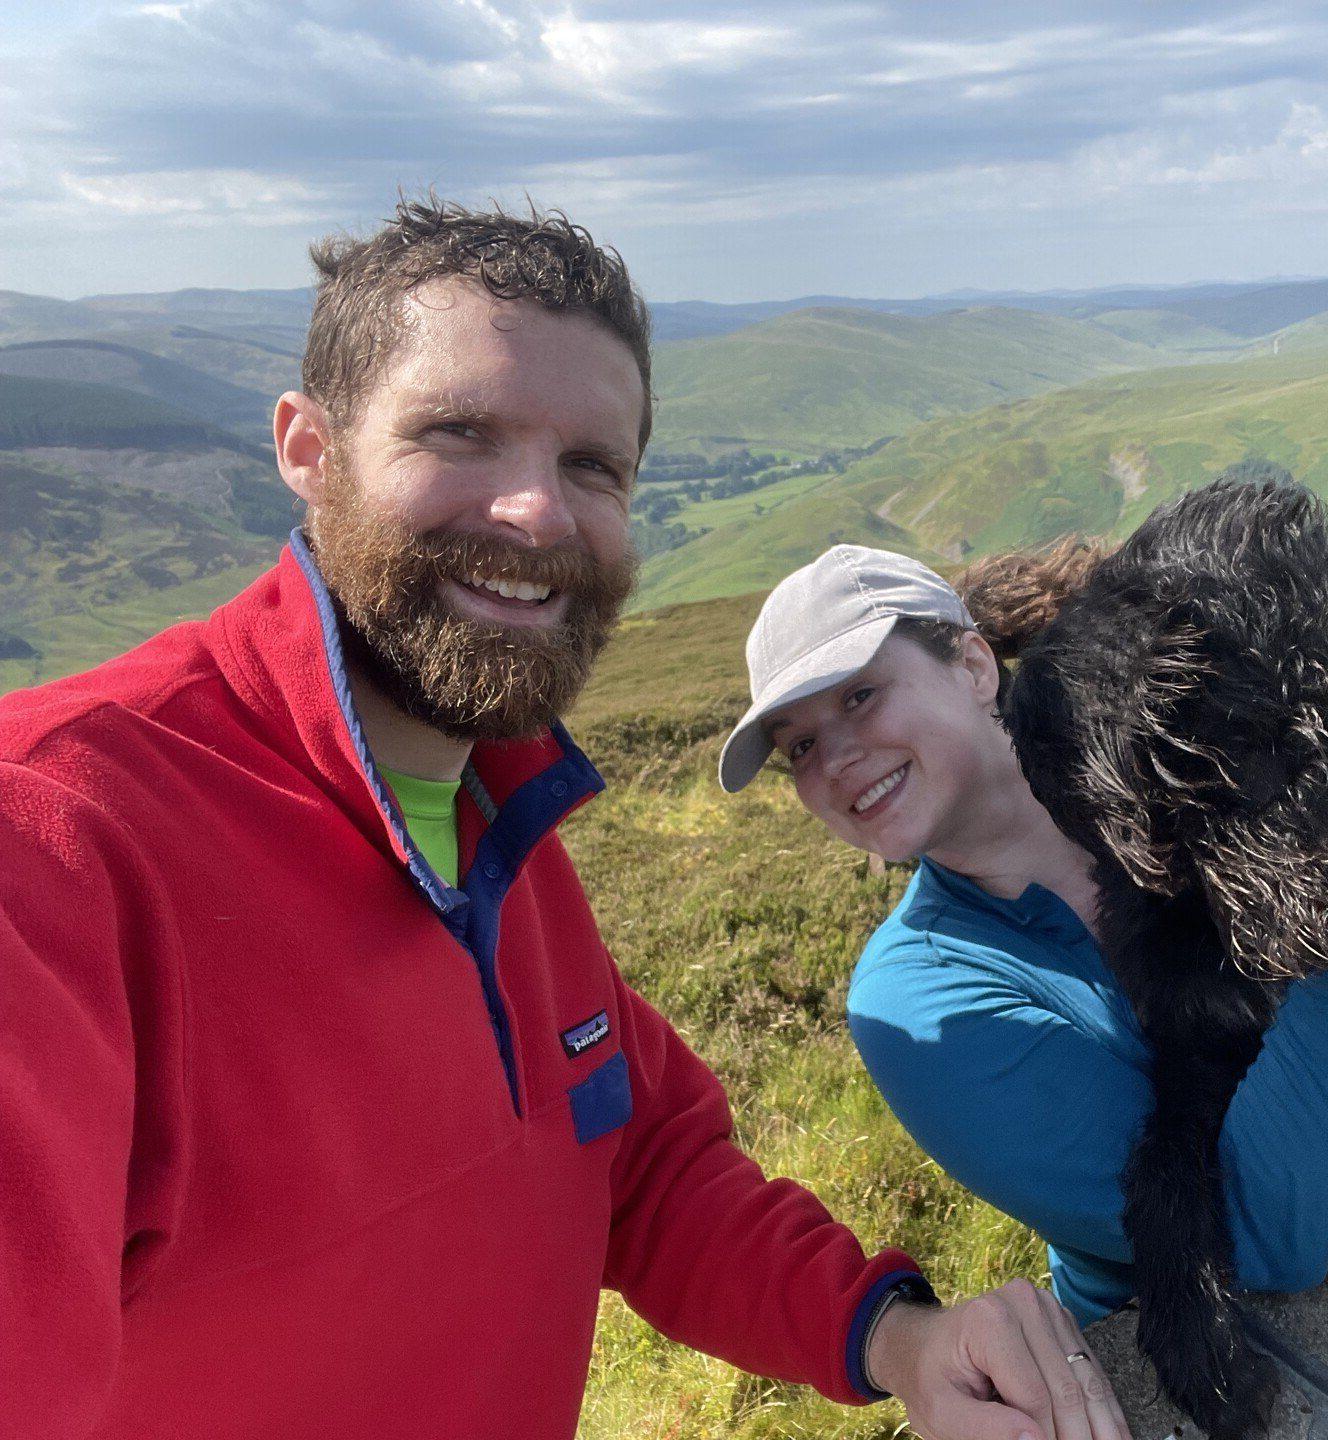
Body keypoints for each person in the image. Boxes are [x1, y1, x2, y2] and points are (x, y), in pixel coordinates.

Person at [0, 199, 1133, 1440]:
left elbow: (640, 1168)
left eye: (593, 466)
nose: (538, 514)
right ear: (309, 448)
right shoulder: (56, 842)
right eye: (460, 433)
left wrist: (901, 1340)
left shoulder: (507, 829)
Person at [718, 543, 1328, 1326]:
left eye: (860, 696)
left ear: (974, 666)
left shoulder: (1185, 775)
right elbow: (1256, 1234)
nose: (832, 759)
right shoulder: (918, 1002)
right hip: (1215, 1375)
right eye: (798, 745)